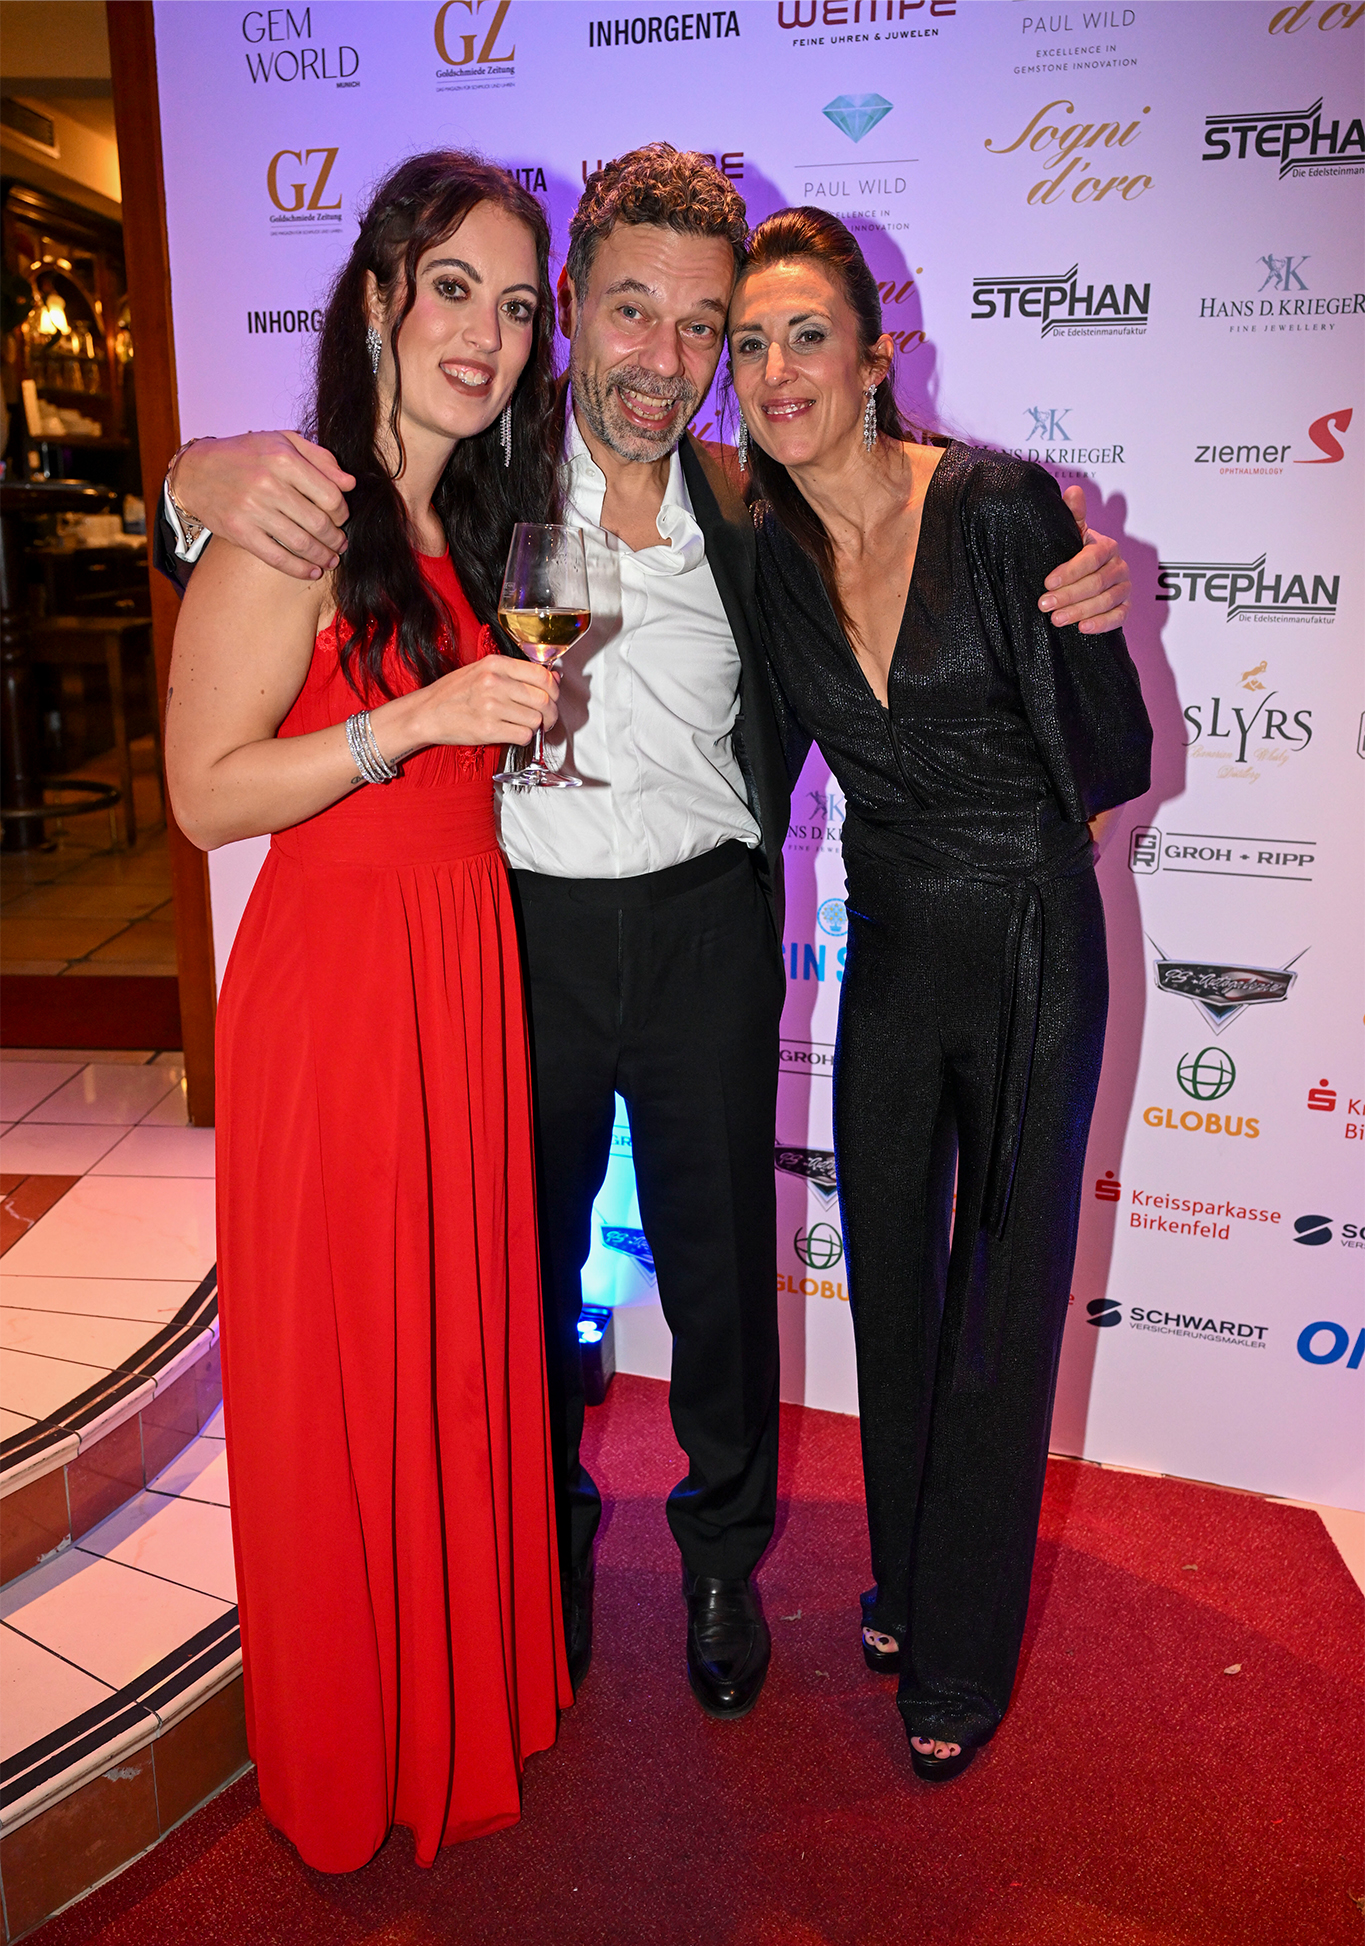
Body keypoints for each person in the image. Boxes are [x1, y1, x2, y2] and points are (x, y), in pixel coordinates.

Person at [158, 147, 1132, 1728]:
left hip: (704, 929)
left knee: (724, 1279)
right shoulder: (482, 460)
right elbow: (305, 526)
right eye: (629, 311)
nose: (663, 358)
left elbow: (905, 502)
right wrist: (185, 482)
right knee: (518, 1275)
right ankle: (539, 1550)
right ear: (570, 311)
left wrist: (1057, 532)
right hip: (516, 932)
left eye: (699, 325)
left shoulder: (752, 505)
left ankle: (722, 1560)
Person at [162, 151, 571, 1873]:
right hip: (338, 1003)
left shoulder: (474, 525)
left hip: (455, 977)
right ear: (381, 295)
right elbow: (203, 794)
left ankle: (452, 1698)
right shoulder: (300, 514)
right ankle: (354, 1738)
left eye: (517, 305)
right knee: (351, 1370)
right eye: (454, 287)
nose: (486, 333)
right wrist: (409, 727)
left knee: (448, 1355)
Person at [728, 207, 1152, 1781]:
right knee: (893, 1286)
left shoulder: (994, 509)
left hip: (1031, 935)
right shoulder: (765, 551)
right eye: (748, 344)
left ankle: (959, 1659)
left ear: (873, 355)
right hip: (891, 945)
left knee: (1001, 1297)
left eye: (808, 335)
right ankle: (905, 1584)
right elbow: (756, 766)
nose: (777, 370)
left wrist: (1095, 580)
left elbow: (1109, 752)